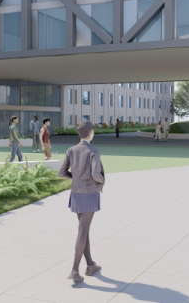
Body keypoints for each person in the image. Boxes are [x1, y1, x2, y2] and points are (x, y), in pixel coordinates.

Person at [60, 120, 105, 284]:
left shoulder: (71, 150)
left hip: (76, 194)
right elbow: (95, 174)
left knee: (83, 230)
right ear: (91, 132)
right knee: (83, 230)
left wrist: (75, 178)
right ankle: (74, 270)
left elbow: (61, 172)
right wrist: (102, 180)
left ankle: (90, 265)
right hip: (89, 194)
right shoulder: (94, 151)